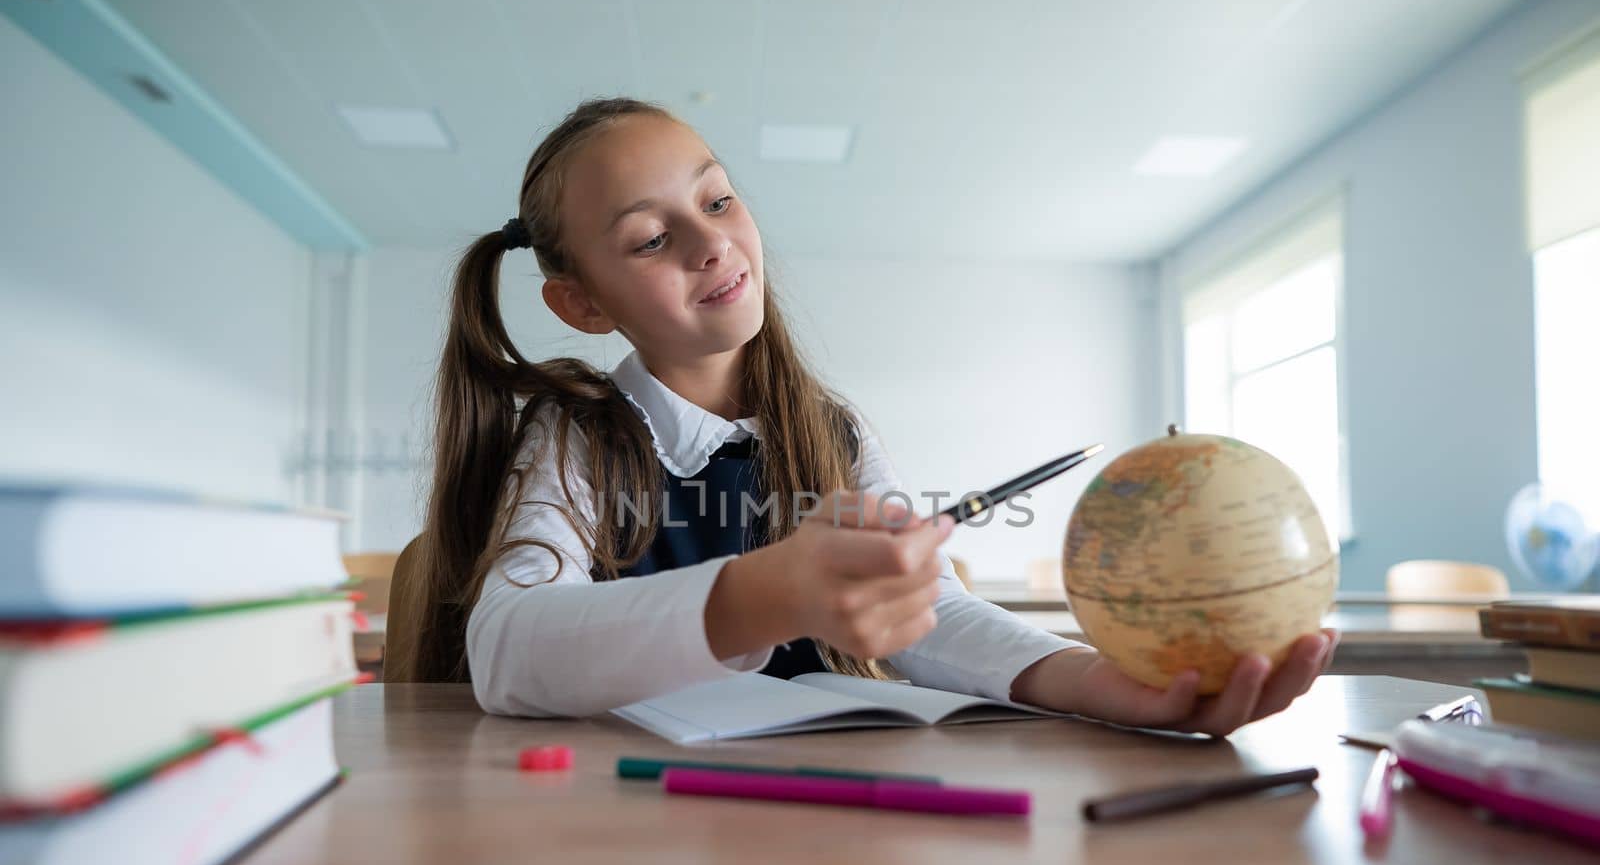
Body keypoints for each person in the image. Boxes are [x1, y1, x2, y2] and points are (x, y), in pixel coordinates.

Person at [414, 97, 1338, 735]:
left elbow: (929, 613)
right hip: (616, 825)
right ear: (581, 305)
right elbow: (507, 649)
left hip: (814, 819)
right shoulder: (573, 434)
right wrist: (771, 592)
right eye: (652, 239)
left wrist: (1091, 681)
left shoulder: (834, 428)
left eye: (718, 198)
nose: (712, 243)